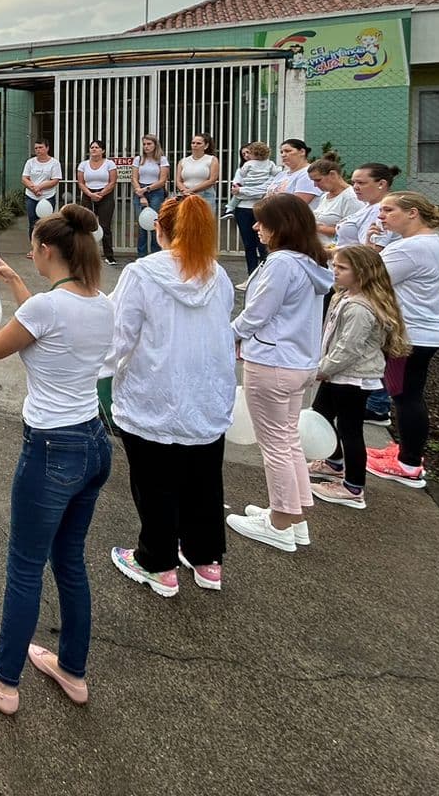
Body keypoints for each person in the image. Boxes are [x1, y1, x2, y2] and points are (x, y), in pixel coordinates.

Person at [0, 205, 114, 715]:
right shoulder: (101, 302)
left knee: (25, 567)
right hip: (93, 442)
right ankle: (72, 670)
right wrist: (17, 284)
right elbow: (48, 328)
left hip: (50, 449)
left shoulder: (48, 309)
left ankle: (2, 679)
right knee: (69, 560)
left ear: (50, 250)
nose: (29, 252)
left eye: (34, 248)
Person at [106, 195, 235, 596]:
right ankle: (206, 558)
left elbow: (119, 334)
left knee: (155, 481)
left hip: (154, 392)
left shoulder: (142, 273)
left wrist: (97, 370)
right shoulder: (218, 274)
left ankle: (156, 562)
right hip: (206, 393)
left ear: (159, 230)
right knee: (204, 479)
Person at [227, 194, 333, 552]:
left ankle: (280, 522)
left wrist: (226, 335)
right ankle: (292, 515)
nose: (256, 227)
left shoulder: (281, 263)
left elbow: (257, 314)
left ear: (282, 226)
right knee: (288, 442)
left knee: (274, 445)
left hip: (272, 363)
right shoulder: (310, 263)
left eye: (263, 222)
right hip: (298, 363)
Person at [310, 245, 411, 510]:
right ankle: (334, 462)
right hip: (338, 373)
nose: (335, 271)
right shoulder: (343, 296)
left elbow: (349, 348)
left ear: (362, 273)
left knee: (349, 428)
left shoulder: (359, 308)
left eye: (342, 268)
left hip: (351, 377)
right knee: (321, 413)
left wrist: (321, 369)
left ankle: (353, 486)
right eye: (335, 266)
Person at [366, 193, 439, 489]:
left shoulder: (411, 249)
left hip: (409, 335)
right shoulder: (424, 244)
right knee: (406, 393)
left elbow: (365, 277)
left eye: (388, 210)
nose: (381, 216)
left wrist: (366, 251)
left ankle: (409, 463)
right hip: (421, 332)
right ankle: (406, 453)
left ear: (412, 212)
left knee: (406, 396)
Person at [336, 163, 402, 426]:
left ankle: (378, 404)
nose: (355, 187)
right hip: (358, 280)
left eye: (361, 182)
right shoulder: (368, 208)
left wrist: (356, 253)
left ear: (382, 184)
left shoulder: (383, 213)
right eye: (354, 182)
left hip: (371, 288)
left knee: (373, 346)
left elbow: (372, 255)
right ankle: (375, 400)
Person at [229, 141, 283, 274]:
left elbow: (263, 189)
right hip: (243, 209)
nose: (246, 156)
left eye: (248, 152)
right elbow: (236, 187)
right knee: (249, 244)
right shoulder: (270, 166)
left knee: (263, 243)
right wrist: (242, 191)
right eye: (244, 154)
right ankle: (252, 274)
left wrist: (243, 191)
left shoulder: (251, 166)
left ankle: (264, 272)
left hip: (261, 208)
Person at [76, 139, 118, 265]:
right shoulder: (83, 164)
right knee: (86, 226)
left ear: (103, 150)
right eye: (92, 147)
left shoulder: (109, 164)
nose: (94, 149)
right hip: (88, 194)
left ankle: (109, 256)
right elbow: (81, 183)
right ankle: (85, 255)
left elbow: (112, 181)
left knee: (105, 226)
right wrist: (89, 194)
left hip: (105, 195)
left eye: (97, 147)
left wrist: (102, 193)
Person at [130, 134, 169, 258]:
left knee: (155, 223)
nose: (146, 147)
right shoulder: (138, 159)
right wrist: (140, 192)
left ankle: (155, 255)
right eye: (144, 144)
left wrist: (146, 189)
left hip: (156, 190)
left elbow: (162, 180)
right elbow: (134, 178)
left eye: (149, 144)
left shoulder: (162, 160)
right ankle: (141, 255)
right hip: (140, 190)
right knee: (142, 224)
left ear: (155, 145)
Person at [308, 155, 361, 244]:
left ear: (333, 174)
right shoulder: (325, 196)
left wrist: (316, 227)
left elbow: (353, 231)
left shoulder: (350, 198)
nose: (315, 185)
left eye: (318, 180)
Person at [20, 141, 63, 241]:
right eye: (36, 148)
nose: (38, 150)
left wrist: (40, 187)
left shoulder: (54, 163)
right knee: (32, 222)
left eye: (40, 147)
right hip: (31, 196)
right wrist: (33, 188)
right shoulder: (30, 162)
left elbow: (55, 180)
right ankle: (34, 247)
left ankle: (46, 245)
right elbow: (24, 178)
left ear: (47, 148)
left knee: (46, 222)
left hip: (47, 196)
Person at [175, 132, 220, 213]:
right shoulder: (183, 161)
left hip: (205, 195)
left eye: (198, 143)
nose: (195, 145)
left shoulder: (212, 159)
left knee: (205, 223)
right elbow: (178, 180)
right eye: (193, 143)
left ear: (206, 146)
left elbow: (212, 180)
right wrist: (184, 190)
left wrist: (191, 190)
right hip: (186, 196)